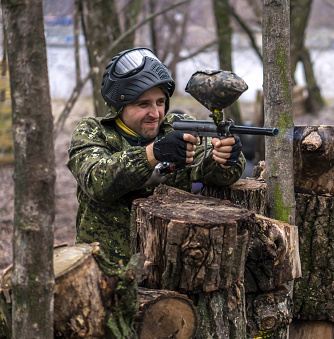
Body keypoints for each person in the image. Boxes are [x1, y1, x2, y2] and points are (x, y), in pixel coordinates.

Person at [67, 47, 245, 264]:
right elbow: (96, 181)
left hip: (170, 266)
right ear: (120, 105)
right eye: (143, 104)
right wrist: (153, 153)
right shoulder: (94, 131)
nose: (155, 113)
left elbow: (211, 171)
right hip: (105, 271)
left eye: (160, 102)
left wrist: (226, 158)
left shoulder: (176, 127)